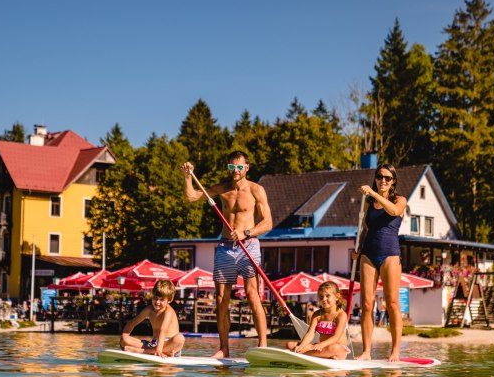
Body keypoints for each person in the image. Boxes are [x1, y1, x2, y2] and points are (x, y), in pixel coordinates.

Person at [181, 151, 272, 358]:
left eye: (239, 167)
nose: (235, 171)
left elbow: (268, 223)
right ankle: (224, 349)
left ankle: (263, 347)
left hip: (249, 245)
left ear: (246, 168)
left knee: (252, 295)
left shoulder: (257, 190)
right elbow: (191, 196)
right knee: (222, 298)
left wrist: (245, 232)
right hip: (225, 246)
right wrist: (188, 176)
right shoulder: (222, 189)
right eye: (232, 167)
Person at [352, 163, 407, 362]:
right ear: (375, 178)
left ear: (393, 181)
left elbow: (393, 211)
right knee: (367, 304)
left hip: (390, 255)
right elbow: (364, 229)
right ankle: (366, 351)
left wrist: (375, 194)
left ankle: (395, 351)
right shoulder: (367, 203)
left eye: (387, 178)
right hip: (368, 254)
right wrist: (356, 249)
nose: (383, 180)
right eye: (379, 176)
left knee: (392, 303)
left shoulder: (400, 200)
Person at [120, 280, 185, 357]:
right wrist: (123, 340)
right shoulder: (149, 310)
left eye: (162, 300)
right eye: (155, 298)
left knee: (180, 338)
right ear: (152, 295)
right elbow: (131, 323)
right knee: (125, 339)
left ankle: (142, 351)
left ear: (169, 300)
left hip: (170, 346)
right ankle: (151, 351)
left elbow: (162, 330)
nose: (157, 302)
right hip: (154, 344)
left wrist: (159, 350)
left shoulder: (169, 311)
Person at [286, 282, 350, 360]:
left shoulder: (341, 315)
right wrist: (302, 346)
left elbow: (336, 337)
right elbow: (310, 333)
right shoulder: (317, 314)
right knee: (290, 344)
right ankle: (306, 353)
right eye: (321, 296)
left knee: (334, 347)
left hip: (337, 349)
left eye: (328, 296)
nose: (324, 299)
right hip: (321, 348)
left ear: (337, 297)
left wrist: (321, 345)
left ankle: (302, 354)